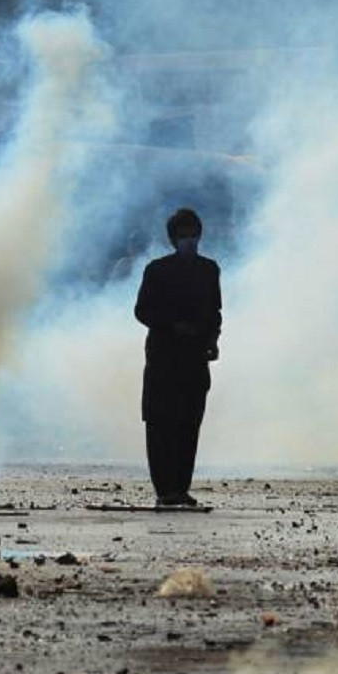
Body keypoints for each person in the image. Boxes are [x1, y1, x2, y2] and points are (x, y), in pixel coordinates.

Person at [135, 207, 222, 507]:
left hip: (195, 359)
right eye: (183, 235)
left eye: (193, 234)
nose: (189, 240)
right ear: (173, 239)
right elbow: (142, 311)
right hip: (163, 358)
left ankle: (180, 488)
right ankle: (165, 490)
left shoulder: (209, 270)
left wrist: (212, 340)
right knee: (160, 423)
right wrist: (172, 324)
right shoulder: (157, 271)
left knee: (189, 423)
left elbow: (215, 312)